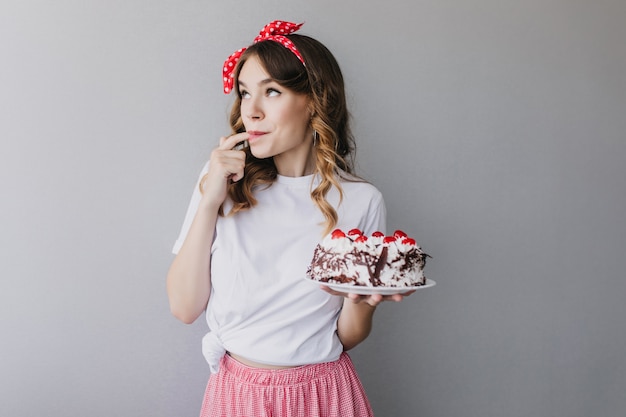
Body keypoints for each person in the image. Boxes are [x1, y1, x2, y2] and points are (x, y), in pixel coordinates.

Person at [167, 20, 413, 417]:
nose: (252, 110)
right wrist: (211, 199)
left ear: (314, 101)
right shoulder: (221, 183)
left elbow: (346, 336)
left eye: (272, 92)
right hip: (238, 395)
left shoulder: (362, 201)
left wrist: (365, 302)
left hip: (325, 395)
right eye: (245, 93)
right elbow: (183, 307)